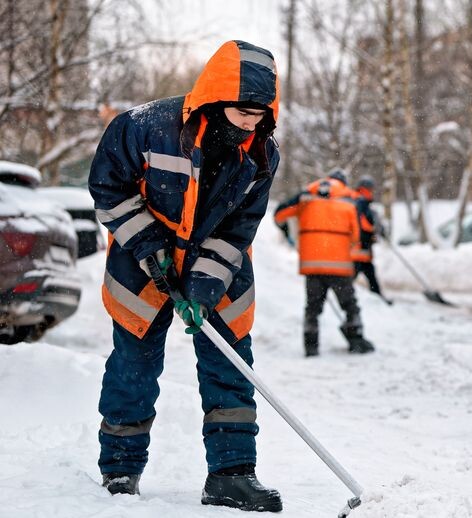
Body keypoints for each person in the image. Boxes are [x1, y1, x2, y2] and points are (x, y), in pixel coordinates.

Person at [89, 40, 283, 512]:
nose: (250, 124)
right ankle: (120, 470)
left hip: (219, 272)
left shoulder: (262, 155)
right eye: (242, 112)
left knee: (230, 366)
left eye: (260, 115)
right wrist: (152, 250)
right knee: (134, 368)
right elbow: (107, 189)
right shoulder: (144, 126)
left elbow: (239, 228)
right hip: (141, 267)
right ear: (215, 98)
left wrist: (203, 284)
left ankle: (232, 475)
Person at [274, 169, 376, 357]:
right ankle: (356, 340)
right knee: (350, 305)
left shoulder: (306, 197)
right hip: (340, 266)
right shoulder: (349, 200)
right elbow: (357, 234)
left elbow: (279, 215)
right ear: (343, 182)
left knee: (312, 309)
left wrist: (287, 232)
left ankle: (311, 347)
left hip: (312, 266)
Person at [351, 175, 391, 304]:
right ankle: (377, 298)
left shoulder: (360, 203)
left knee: (369, 276)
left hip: (363, 250)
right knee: (349, 280)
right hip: (358, 250)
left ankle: (378, 299)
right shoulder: (360, 202)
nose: (372, 192)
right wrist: (376, 227)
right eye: (371, 189)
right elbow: (364, 224)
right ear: (365, 189)